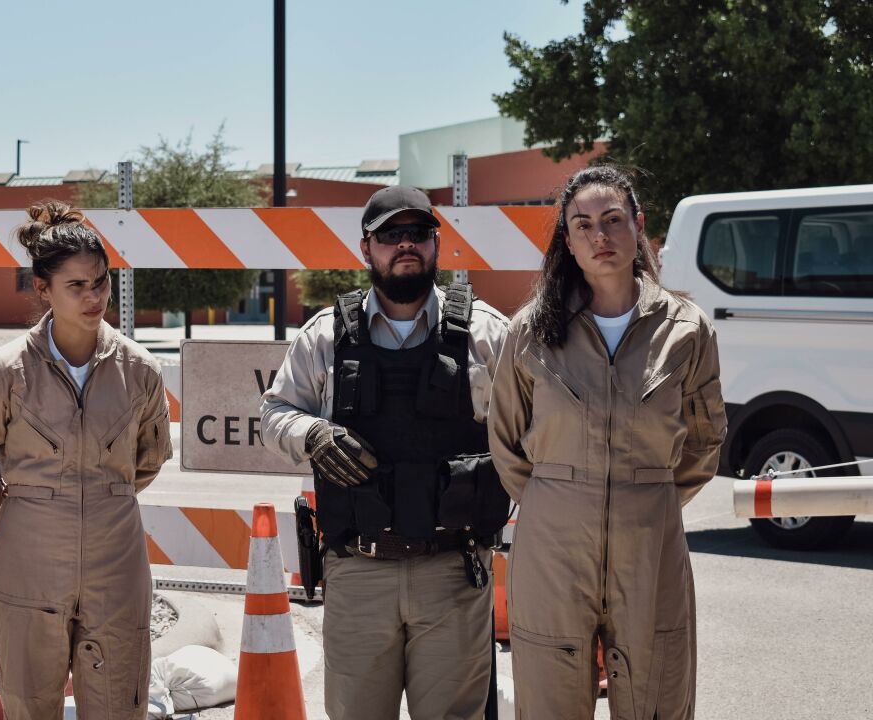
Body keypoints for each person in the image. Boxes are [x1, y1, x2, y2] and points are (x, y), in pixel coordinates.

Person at [260, 185, 512, 719]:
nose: (405, 244)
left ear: (436, 243)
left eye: (418, 232)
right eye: (390, 234)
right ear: (365, 248)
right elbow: (275, 412)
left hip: (453, 571)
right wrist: (314, 434)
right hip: (359, 572)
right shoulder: (326, 335)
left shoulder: (488, 334)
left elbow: (532, 432)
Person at [488, 165, 727, 719]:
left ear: (638, 226)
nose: (600, 235)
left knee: (657, 700)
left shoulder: (687, 330)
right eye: (584, 224)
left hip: (651, 550)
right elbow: (505, 440)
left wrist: (646, 495)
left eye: (613, 220)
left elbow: (704, 442)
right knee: (549, 704)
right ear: (568, 241)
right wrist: (561, 497)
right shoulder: (531, 331)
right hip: (552, 550)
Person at [0, 200, 173, 720]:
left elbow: (149, 459)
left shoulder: (139, 371)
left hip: (116, 560)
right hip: (29, 561)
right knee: (29, 703)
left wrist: (100, 499)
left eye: (101, 282)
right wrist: (25, 512)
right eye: (77, 286)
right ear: (43, 289)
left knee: (119, 704)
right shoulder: (5, 372)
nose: (94, 297)